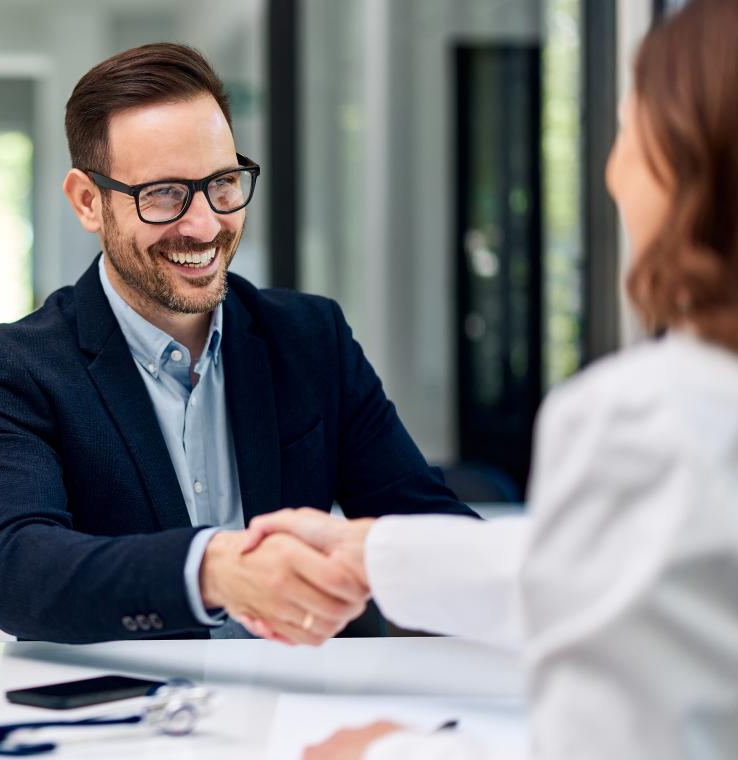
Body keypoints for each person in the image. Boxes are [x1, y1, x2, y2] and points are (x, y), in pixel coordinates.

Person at [244, 1, 738, 756]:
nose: (610, 172)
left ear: (689, 168)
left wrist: (384, 751)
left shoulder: (644, 417)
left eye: (628, 134)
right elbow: (628, 571)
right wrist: (364, 553)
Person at [0, 43, 474, 645]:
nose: (204, 224)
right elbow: (18, 575)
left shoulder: (310, 339)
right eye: (165, 193)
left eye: (222, 183)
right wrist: (214, 570)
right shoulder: (10, 368)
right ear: (89, 201)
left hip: (305, 718)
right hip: (134, 725)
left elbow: (427, 522)